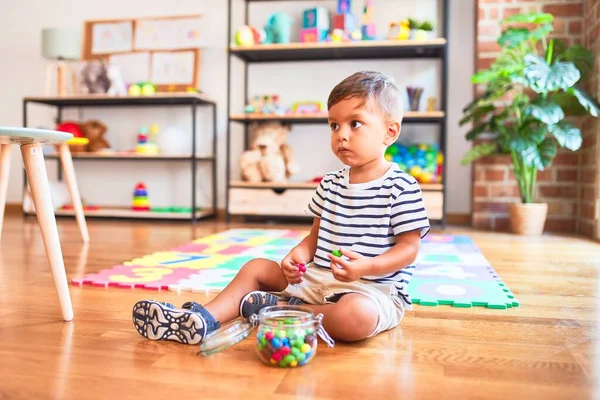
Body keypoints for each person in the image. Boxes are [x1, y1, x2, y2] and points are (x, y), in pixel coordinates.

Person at [131, 70, 430, 345]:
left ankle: (283, 310)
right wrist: (298, 256)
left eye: (355, 124)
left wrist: (367, 267)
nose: (341, 134)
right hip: (317, 280)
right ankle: (202, 318)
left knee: (357, 318)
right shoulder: (330, 183)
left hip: (372, 290)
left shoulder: (401, 187)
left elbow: (409, 248)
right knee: (256, 268)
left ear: (390, 132)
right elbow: (315, 236)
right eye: (334, 125)